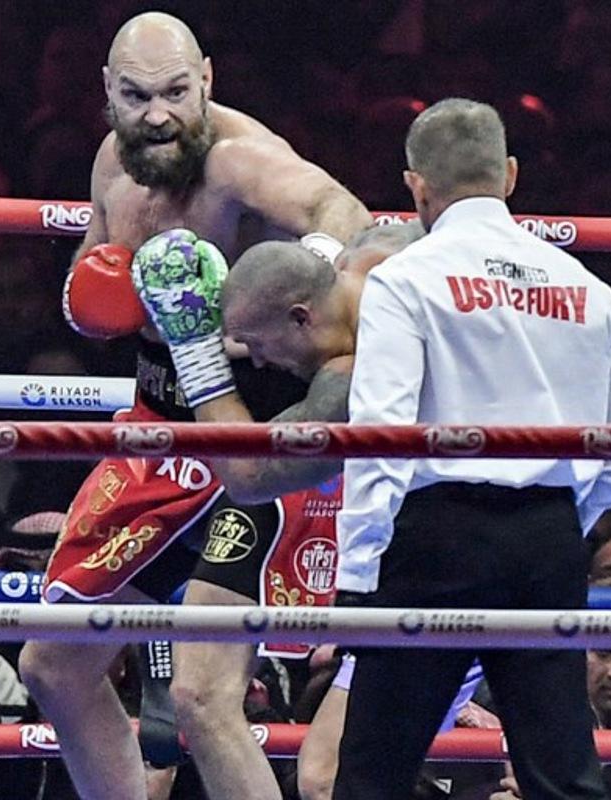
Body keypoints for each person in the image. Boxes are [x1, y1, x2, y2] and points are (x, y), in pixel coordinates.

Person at [18, 11, 371, 800]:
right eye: (138, 95)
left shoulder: (241, 161)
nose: (159, 114)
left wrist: (277, 292)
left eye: (177, 92)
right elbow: (95, 272)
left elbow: (344, 215)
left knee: (203, 699)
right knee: (53, 665)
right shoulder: (115, 159)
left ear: (206, 80)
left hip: (248, 430)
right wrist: (92, 292)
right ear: (108, 92)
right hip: (156, 433)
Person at [332, 98, 611, 800]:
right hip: (545, 542)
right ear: (509, 174)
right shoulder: (589, 290)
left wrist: (355, 573)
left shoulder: (405, 278)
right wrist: (557, 508)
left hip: (432, 540)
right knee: (562, 774)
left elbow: (382, 435)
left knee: (372, 777)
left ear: (416, 185)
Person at [140, 223, 426, 800]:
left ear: (301, 318)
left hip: (426, 538)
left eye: (260, 345)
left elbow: (248, 475)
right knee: (197, 693)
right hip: (314, 496)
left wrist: (196, 354)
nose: (260, 364)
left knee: (326, 779)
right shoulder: (370, 252)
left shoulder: (359, 369)